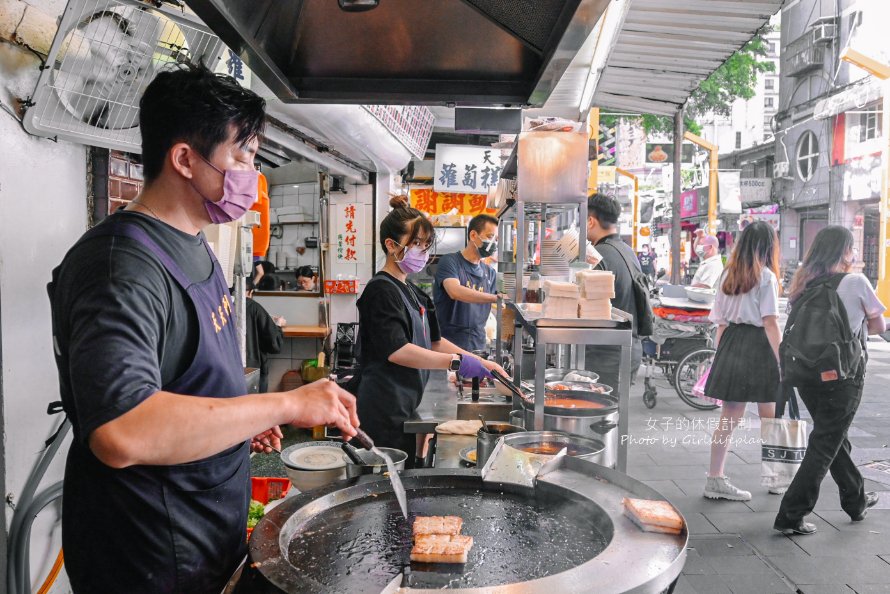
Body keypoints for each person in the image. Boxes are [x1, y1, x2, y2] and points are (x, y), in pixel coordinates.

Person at [48, 64, 359, 594]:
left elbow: (188, 376)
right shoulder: (119, 268)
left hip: (203, 540)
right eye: (242, 157)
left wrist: (235, 418)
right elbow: (122, 430)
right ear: (185, 159)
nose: (251, 177)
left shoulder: (196, 244)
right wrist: (283, 404)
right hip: (146, 557)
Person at [355, 197, 505, 463]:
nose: (423, 253)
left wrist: (481, 362)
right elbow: (397, 350)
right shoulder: (380, 290)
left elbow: (434, 341)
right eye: (416, 245)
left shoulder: (412, 291)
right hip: (382, 407)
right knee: (383, 486)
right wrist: (457, 362)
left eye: (426, 246)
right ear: (391, 245)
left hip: (406, 401)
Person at [773, 226, 886, 535]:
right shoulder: (855, 282)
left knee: (832, 435)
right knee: (825, 442)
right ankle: (791, 514)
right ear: (844, 252)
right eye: (852, 248)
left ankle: (856, 500)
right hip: (843, 374)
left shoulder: (802, 282)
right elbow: (877, 326)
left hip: (806, 374)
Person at [702, 221, 779, 501]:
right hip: (759, 345)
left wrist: (720, 358)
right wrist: (782, 360)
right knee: (769, 417)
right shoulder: (766, 277)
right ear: (768, 246)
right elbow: (770, 323)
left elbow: (720, 323)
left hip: (732, 342)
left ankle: (714, 478)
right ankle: (775, 478)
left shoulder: (726, 275)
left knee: (728, 418)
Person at [584, 192, 644, 391]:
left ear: (591, 221)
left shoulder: (599, 255)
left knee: (602, 418)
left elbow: (585, 305)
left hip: (608, 356)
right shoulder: (627, 250)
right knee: (614, 416)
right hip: (628, 349)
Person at [433, 214, 500, 352]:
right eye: (489, 237)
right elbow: (455, 291)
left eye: (496, 239)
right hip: (448, 344)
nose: (494, 243)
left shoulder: (490, 273)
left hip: (478, 344)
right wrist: (495, 298)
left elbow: (504, 299)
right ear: (473, 235)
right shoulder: (450, 262)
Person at [244, 276, 285, 392]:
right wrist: (278, 325)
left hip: (228, 369)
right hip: (253, 369)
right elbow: (275, 344)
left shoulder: (222, 306)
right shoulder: (255, 308)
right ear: (251, 292)